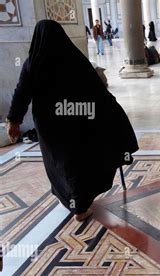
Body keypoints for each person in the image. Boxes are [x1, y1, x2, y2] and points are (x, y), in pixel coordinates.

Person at [6, 20, 138, 222]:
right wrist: (111, 113)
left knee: (61, 162)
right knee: (79, 161)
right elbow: (97, 90)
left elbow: (21, 93)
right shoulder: (74, 59)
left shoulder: (33, 63)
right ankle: (80, 204)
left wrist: (13, 120)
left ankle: (75, 202)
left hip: (49, 124)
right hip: (76, 119)